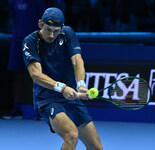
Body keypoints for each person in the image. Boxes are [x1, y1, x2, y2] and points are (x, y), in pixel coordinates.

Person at [22, 7, 103, 150]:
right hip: (47, 98)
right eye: (48, 29)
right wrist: (62, 88)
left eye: (56, 30)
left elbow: (77, 60)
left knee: (97, 148)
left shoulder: (68, 33)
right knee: (71, 135)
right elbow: (36, 74)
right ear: (40, 24)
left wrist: (81, 84)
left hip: (70, 97)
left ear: (62, 28)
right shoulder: (30, 41)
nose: (52, 35)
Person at [3, 0, 46, 119]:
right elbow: (14, 18)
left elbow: (43, 22)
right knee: (17, 75)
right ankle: (17, 109)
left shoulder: (38, 2)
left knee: (38, 76)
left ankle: (40, 109)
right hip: (17, 42)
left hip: (34, 42)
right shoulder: (13, 2)